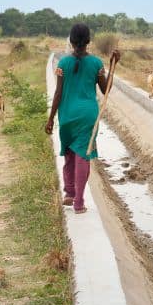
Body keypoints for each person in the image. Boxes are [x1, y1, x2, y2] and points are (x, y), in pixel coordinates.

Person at [45, 23, 120, 213]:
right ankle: (78, 202)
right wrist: (112, 66)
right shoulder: (96, 64)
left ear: (70, 41)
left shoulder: (63, 64)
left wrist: (51, 118)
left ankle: (69, 193)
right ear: (88, 41)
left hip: (67, 115)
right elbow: (106, 90)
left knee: (70, 154)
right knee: (83, 156)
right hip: (88, 116)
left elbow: (58, 94)